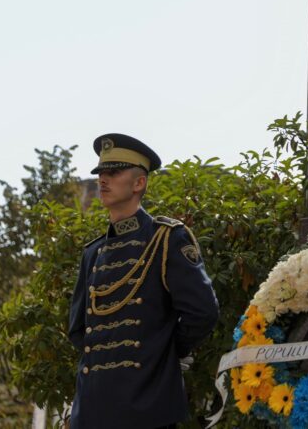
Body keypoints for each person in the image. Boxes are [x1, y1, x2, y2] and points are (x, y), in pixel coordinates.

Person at [68, 133, 219, 429]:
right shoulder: (93, 252)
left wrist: (160, 354)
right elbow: (78, 330)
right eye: (100, 173)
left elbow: (203, 312)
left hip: (147, 407)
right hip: (92, 410)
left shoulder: (166, 239)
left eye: (113, 173)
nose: (103, 180)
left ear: (139, 183)